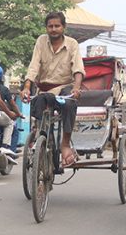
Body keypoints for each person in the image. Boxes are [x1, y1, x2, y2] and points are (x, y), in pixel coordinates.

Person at [21, 11, 85, 168]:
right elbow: (34, 65)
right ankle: (43, 138)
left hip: (65, 87)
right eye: (50, 26)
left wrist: (76, 88)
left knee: (70, 104)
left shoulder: (72, 44)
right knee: (37, 105)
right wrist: (27, 87)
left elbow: (78, 69)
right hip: (45, 89)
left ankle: (64, 144)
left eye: (57, 26)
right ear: (46, 28)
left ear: (63, 27)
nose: (54, 29)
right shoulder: (41, 41)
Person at [0, 64, 24, 152]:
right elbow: (12, 104)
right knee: (10, 124)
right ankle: (7, 148)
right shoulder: (3, 89)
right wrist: (18, 114)